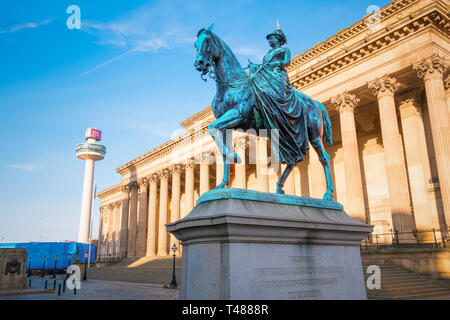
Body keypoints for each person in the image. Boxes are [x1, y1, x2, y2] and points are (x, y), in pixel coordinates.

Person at [248, 25, 308, 165]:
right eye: (269, 39)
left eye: (271, 38)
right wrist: (256, 67)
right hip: (268, 75)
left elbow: (287, 62)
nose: (269, 40)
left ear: (278, 39)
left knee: (266, 91)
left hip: (278, 76)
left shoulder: (284, 50)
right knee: (254, 87)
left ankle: (278, 110)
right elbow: (264, 66)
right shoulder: (267, 53)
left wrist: (276, 64)